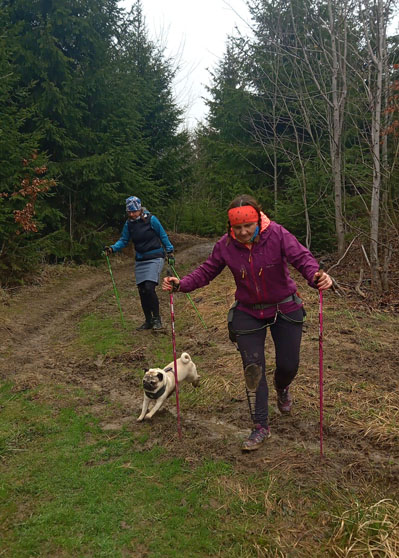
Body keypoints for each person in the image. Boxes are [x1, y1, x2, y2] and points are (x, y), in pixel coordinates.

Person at [162, 194, 332, 452]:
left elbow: (302, 258)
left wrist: (316, 276)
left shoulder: (277, 234)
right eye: (236, 227)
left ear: (257, 221)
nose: (242, 232)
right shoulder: (225, 245)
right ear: (230, 226)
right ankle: (260, 426)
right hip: (248, 311)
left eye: (247, 226)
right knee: (253, 369)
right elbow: (207, 270)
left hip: (284, 306)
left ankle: (282, 386)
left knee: (289, 364)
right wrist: (181, 283)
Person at [105, 196, 174, 331]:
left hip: (155, 257)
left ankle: (157, 320)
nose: (131, 214)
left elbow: (162, 235)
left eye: (134, 211)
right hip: (141, 259)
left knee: (149, 287)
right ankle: (148, 320)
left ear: (139, 209)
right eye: (129, 212)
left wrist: (170, 251)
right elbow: (124, 240)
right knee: (142, 290)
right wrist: (113, 248)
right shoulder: (129, 224)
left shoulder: (151, 220)